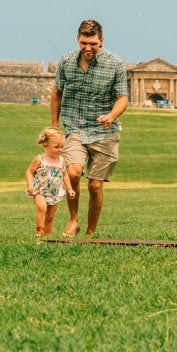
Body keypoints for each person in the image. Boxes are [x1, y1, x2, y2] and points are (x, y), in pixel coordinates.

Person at [50, 18, 128, 237]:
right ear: (78, 39)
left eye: (93, 43)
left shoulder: (115, 64)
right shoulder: (66, 61)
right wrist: (55, 126)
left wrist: (112, 115)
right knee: (73, 172)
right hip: (74, 127)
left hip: (105, 132)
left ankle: (90, 233)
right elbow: (56, 94)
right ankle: (73, 221)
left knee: (95, 185)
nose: (88, 48)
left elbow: (123, 98)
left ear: (101, 41)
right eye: (84, 42)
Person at [23, 127, 74, 237]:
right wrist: (30, 186)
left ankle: (47, 236)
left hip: (55, 192)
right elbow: (29, 172)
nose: (60, 150)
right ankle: (39, 231)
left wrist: (69, 189)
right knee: (42, 208)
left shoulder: (62, 161)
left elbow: (65, 175)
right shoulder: (39, 159)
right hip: (40, 190)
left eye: (62, 147)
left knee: (50, 217)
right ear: (45, 145)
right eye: (56, 147)